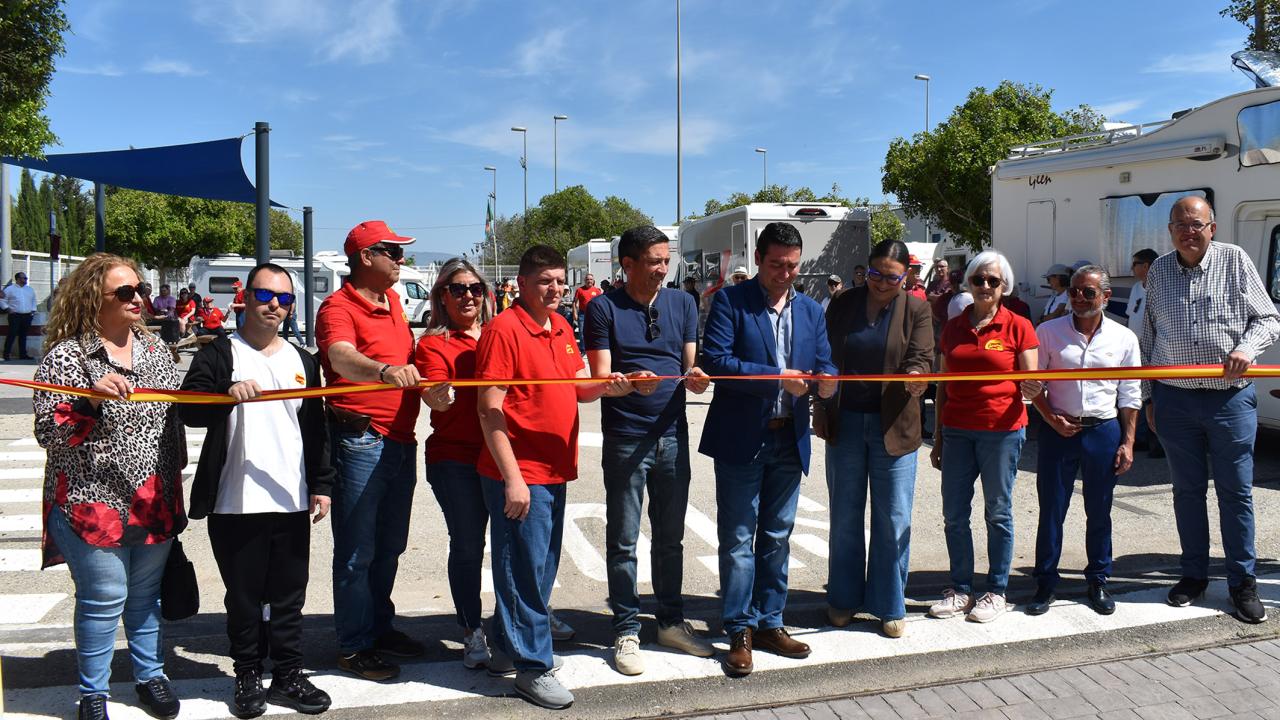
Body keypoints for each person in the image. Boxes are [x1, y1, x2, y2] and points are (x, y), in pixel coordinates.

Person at [33, 254, 186, 720]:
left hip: (151, 498)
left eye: (138, 289)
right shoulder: (67, 357)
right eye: (125, 292)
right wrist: (89, 399)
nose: (138, 298)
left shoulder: (156, 350)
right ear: (92, 298)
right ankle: (93, 693)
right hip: (90, 499)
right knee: (103, 598)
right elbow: (50, 434)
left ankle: (150, 676)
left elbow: (171, 421)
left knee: (145, 597)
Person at [179, 263, 334, 717]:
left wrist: (322, 484)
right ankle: (246, 672)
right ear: (245, 297)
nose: (275, 306)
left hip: (290, 497)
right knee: (244, 597)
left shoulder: (303, 360)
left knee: (289, 594)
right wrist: (226, 391)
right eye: (266, 296)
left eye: (285, 299)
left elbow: (315, 428)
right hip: (235, 499)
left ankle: (288, 674)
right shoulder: (221, 352)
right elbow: (189, 407)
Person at [475, 245, 623, 709]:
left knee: (537, 569)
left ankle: (504, 645)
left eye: (560, 280)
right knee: (524, 572)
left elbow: (578, 389)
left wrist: (614, 384)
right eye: (545, 281)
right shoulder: (503, 330)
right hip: (521, 472)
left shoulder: (560, 326)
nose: (555, 288)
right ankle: (534, 668)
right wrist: (512, 478)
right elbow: (488, 408)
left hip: (554, 469)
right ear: (521, 283)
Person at [699, 222, 837, 677]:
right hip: (742, 437)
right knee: (739, 539)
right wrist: (778, 378)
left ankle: (769, 622)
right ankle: (738, 628)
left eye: (793, 266)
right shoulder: (730, 301)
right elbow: (717, 362)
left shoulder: (812, 311)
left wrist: (828, 381)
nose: (785, 273)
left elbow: (823, 362)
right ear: (758, 259)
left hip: (788, 437)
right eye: (777, 264)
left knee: (777, 537)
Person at [1142, 195, 1280, 623]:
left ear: (1212, 228)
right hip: (1175, 400)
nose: (1189, 231)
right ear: (1170, 230)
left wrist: (1245, 348)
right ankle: (1194, 576)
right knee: (1186, 492)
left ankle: (1242, 584)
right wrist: (1149, 395)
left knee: (1236, 493)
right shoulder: (1160, 271)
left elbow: (1269, 318)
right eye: (1180, 224)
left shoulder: (1235, 261)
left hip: (1229, 399)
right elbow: (1148, 335)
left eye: (1197, 224)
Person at [584, 226, 714, 676]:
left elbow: (689, 362)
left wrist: (697, 377)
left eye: (666, 260)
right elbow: (601, 379)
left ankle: (671, 622)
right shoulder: (601, 308)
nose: (663, 269)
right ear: (628, 264)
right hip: (626, 439)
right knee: (623, 541)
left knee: (670, 538)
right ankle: (624, 629)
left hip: (673, 435)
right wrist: (624, 385)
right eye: (655, 261)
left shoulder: (682, 302)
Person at [316, 219, 423, 680]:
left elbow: (410, 360)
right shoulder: (337, 306)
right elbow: (339, 355)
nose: (401, 260)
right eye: (392, 252)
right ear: (365, 257)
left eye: (400, 253)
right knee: (358, 549)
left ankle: (379, 628)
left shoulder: (394, 301)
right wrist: (382, 372)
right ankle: (355, 645)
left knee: (389, 546)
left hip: (399, 439)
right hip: (360, 439)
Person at [813, 240, 932, 638]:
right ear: (867, 270)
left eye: (892, 276)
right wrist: (823, 385)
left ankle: (888, 604)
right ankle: (843, 599)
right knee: (845, 517)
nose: (882, 282)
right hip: (845, 423)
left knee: (893, 518)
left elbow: (922, 357)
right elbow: (825, 352)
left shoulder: (916, 307)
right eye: (876, 273)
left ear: (906, 276)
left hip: (894, 427)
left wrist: (916, 377)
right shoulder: (844, 302)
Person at [1020, 266, 1140, 617]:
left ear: (1105, 297)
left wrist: (1128, 442)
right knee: (1052, 510)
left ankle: (1098, 579)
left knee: (1099, 511)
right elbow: (1033, 383)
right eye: (1074, 291)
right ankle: (1045, 582)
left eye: (1088, 293)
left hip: (1103, 432)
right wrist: (1049, 417)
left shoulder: (1123, 338)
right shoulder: (1048, 332)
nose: (1079, 298)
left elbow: (1130, 394)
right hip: (1060, 431)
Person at [929, 250, 1038, 624]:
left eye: (993, 280)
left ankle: (997, 590)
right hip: (958, 430)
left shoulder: (1019, 326)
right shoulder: (954, 327)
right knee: (954, 514)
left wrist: (1037, 389)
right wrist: (939, 436)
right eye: (979, 280)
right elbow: (942, 386)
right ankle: (961, 588)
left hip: (1001, 432)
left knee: (998, 513)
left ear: (1004, 285)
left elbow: (1032, 384)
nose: (986, 286)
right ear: (969, 284)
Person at [413, 258, 494, 671]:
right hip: (455, 458)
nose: (468, 296)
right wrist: (438, 397)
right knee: (467, 546)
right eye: (458, 289)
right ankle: (470, 628)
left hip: (503, 456)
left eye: (475, 289)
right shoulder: (432, 344)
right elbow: (436, 395)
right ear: (442, 297)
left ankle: (525, 615)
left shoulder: (500, 333)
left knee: (519, 544)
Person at [1125, 248, 1162, 458]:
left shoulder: (1162, 287)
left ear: (1146, 266)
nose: (1132, 269)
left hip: (1156, 349)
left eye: (1135, 264)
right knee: (1137, 393)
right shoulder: (1137, 288)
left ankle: (1158, 441)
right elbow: (1132, 317)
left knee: (1155, 395)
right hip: (1136, 348)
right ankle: (1140, 438)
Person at [4, 270, 37, 360]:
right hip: (15, 315)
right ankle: (6, 354)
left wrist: (33, 311)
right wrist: (7, 309)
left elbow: (34, 300)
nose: (26, 279)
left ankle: (23, 354)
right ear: (18, 279)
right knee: (12, 334)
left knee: (23, 336)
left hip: (27, 315)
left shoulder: (29, 289)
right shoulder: (10, 289)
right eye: (24, 278)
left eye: (26, 278)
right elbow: (2, 300)